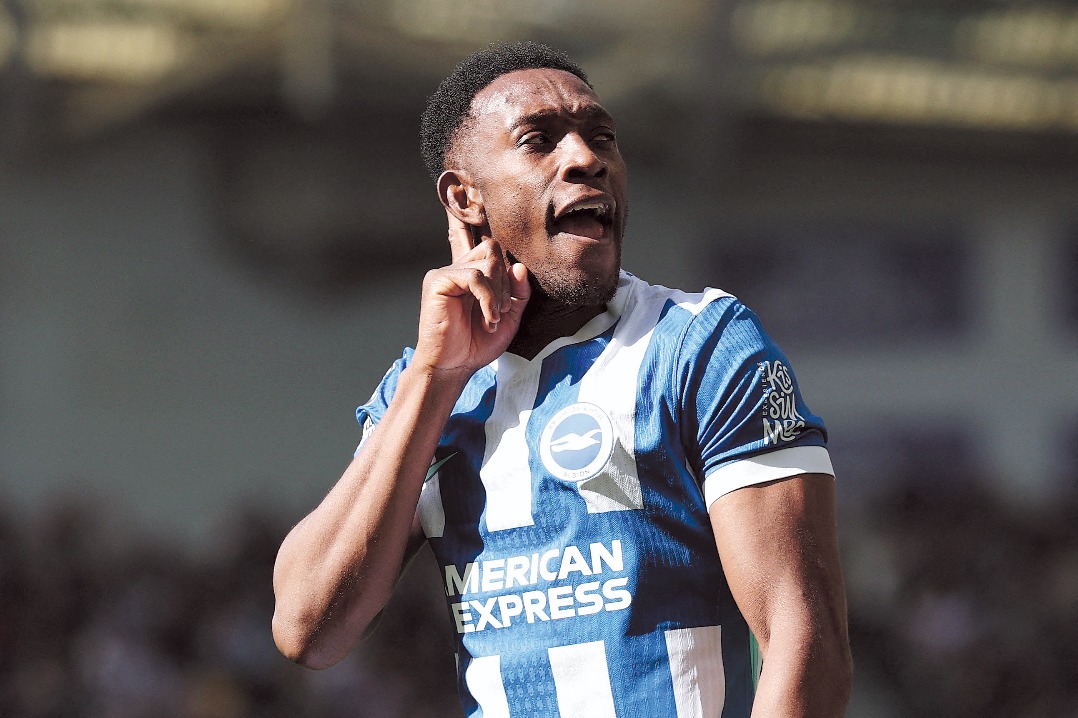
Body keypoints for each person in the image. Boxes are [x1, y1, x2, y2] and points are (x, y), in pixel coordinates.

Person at [272, 41, 852, 717]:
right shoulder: (424, 388)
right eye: (538, 140)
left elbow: (806, 645)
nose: (585, 158)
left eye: (601, 136)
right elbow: (308, 629)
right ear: (465, 197)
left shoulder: (702, 344)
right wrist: (435, 376)